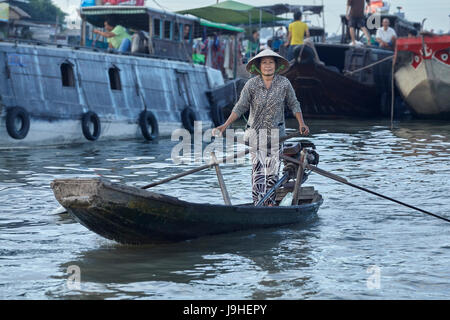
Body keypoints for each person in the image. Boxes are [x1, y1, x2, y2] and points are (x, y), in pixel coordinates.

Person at [212, 49, 309, 206]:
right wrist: (225, 125)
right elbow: (240, 107)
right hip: (255, 135)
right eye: (264, 63)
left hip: (277, 134)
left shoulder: (284, 83)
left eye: (271, 62)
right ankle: (258, 204)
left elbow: (294, 103)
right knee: (258, 172)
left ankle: (269, 204)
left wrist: (301, 123)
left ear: (276, 66)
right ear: (259, 66)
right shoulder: (251, 84)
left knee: (272, 173)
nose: (268, 66)